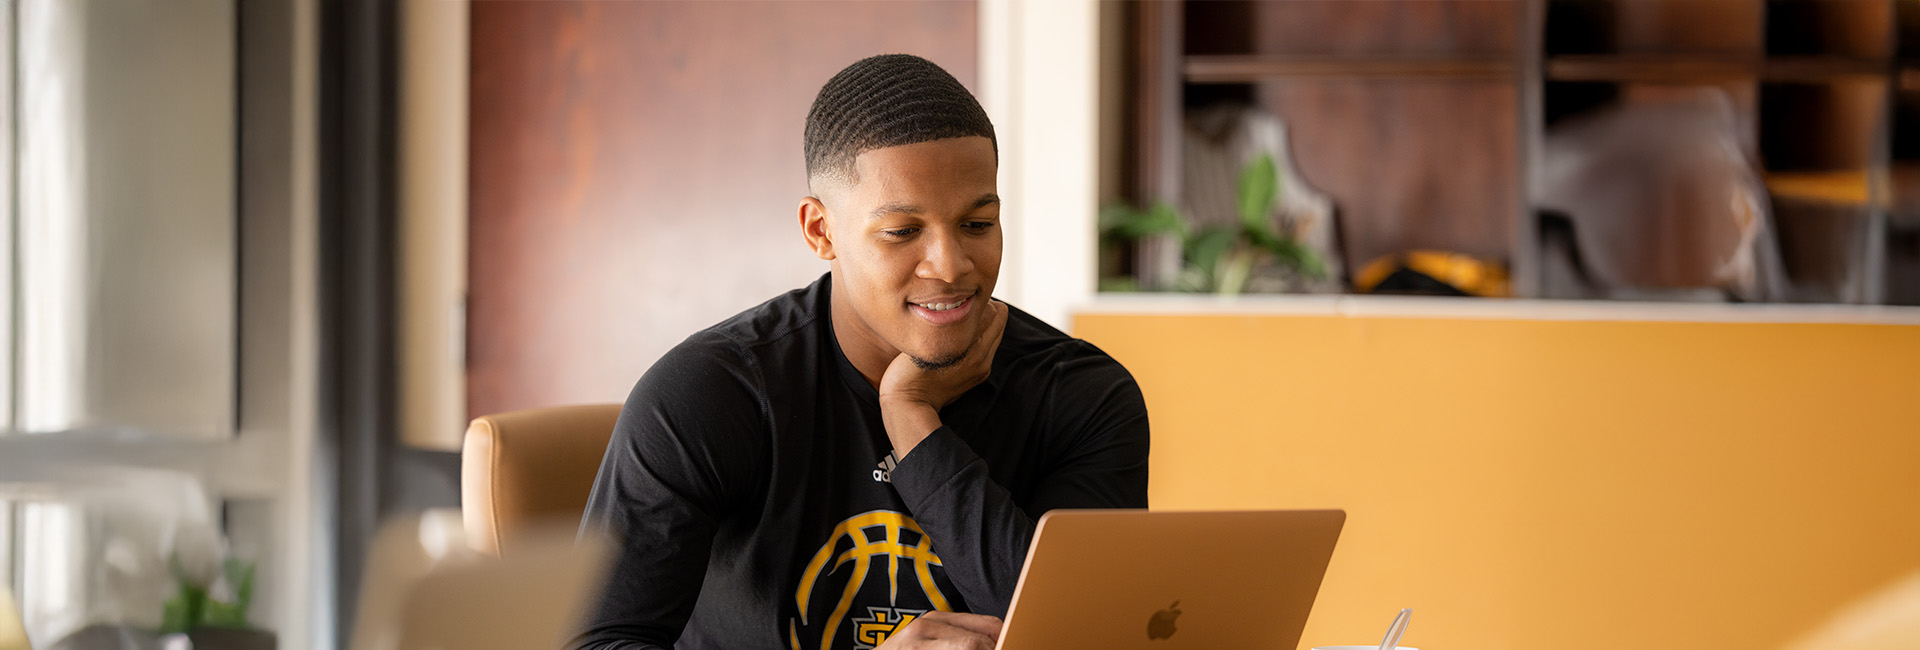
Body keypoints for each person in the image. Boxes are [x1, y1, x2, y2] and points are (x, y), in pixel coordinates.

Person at [571, 54, 1150, 650]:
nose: (950, 266)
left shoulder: (1083, 396)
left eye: (977, 224)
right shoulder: (711, 392)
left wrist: (912, 420)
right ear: (821, 231)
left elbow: (1080, 637)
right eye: (902, 232)